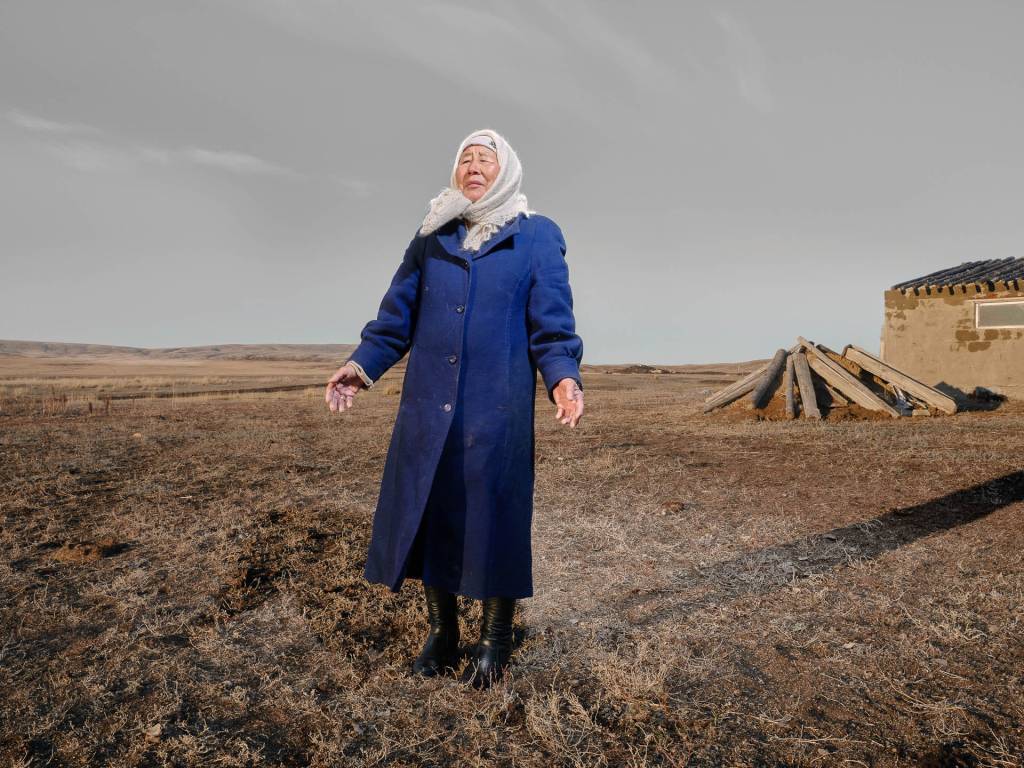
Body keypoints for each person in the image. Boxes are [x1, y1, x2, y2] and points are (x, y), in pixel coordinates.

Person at [324, 128, 584, 689]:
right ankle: (442, 633)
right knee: (428, 515)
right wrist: (360, 366)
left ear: (506, 170)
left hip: (496, 412)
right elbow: (396, 317)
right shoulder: (432, 234)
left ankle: (494, 640)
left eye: (484, 158)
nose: (473, 166)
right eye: (465, 157)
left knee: (495, 520)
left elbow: (553, 325)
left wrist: (563, 378)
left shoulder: (535, 236)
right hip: (427, 410)